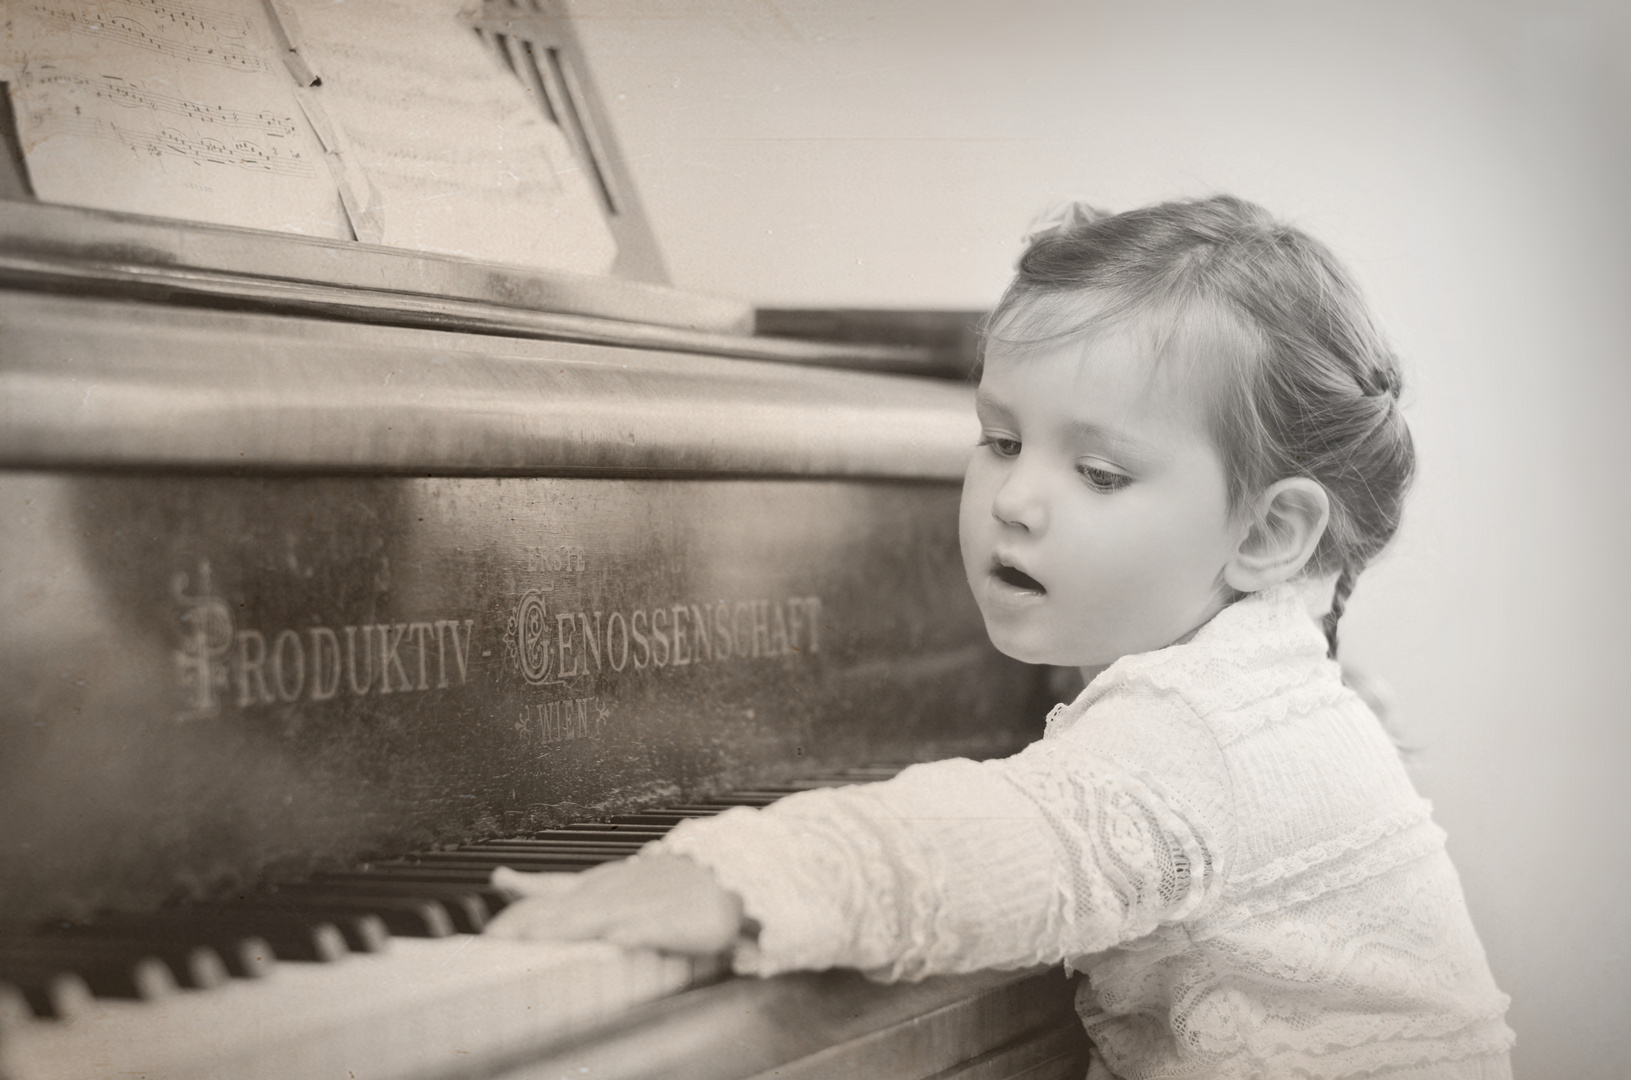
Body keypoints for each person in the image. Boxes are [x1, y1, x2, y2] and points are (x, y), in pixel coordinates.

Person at [485, 195, 1515, 1079]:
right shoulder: (1259, 685)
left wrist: (729, 878)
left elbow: (989, 849)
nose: (1015, 498)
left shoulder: (1197, 731)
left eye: (1099, 474)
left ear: (1267, 532)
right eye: (999, 439)